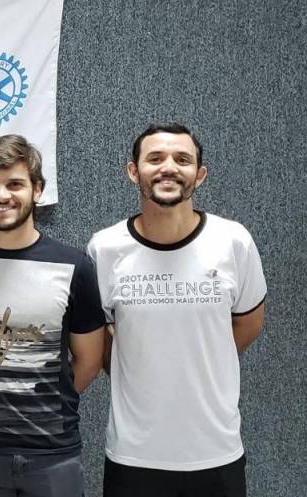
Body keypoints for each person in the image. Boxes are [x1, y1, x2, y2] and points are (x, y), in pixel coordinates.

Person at [87, 123, 266, 497]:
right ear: (133, 171)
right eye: (155, 158)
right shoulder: (104, 248)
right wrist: (140, 367)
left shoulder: (233, 242)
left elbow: (248, 325)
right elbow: (98, 342)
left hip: (216, 452)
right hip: (133, 455)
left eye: (182, 160)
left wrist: (201, 357)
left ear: (199, 175)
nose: (168, 167)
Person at [0, 134, 105, 497]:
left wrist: (45, 398)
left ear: (37, 190)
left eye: (14, 184)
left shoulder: (74, 266)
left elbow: (89, 359)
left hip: (53, 453)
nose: (1, 195)